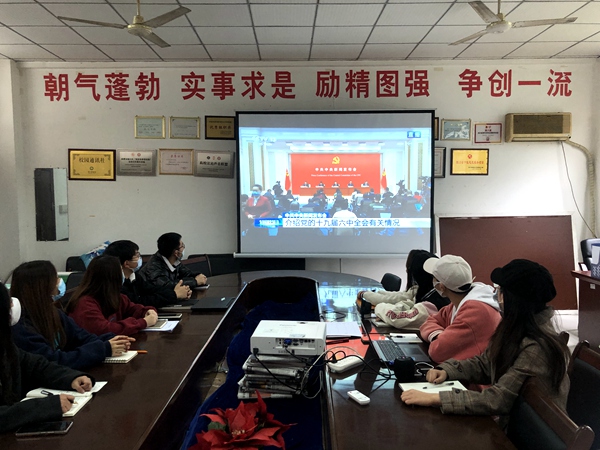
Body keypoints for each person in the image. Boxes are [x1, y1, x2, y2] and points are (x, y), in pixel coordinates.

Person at [401, 259, 570, 430]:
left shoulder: (536, 348)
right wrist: (448, 370)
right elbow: (486, 363)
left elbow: (498, 399)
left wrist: (436, 398)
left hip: (523, 434)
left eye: (500, 291)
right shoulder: (517, 327)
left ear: (513, 299)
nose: (496, 295)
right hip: (512, 425)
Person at [0, 282, 94, 433]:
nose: (13, 305)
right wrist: (47, 406)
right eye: (9, 301)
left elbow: (35, 365)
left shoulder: (5, 345)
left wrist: (70, 378)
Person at [10, 260, 133, 370]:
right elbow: (54, 361)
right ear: (42, 287)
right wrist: (104, 348)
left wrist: (112, 339)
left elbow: (81, 337)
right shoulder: (21, 326)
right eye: (56, 278)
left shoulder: (53, 312)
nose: (59, 282)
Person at [419, 255, 502, 363]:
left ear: (441, 287)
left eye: (433, 278)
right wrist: (439, 335)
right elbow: (430, 321)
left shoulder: (475, 311)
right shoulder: (461, 301)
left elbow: (438, 352)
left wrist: (438, 338)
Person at [67, 255, 158, 336]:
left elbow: (132, 309)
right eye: (120, 271)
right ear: (112, 277)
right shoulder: (85, 303)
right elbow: (106, 330)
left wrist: (147, 311)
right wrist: (143, 322)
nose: (123, 275)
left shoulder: (114, 296)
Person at [356, 250, 449, 329]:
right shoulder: (426, 292)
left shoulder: (432, 303)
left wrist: (379, 308)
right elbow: (406, 301)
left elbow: (397, 319)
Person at [104, 240, 191, 308]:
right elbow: (139, 302)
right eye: (137, 255)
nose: (140, 258)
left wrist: (177, 291)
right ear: (126, 263)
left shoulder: (134, 276)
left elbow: (152, 289)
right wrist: (174, 295)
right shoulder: (115, 284)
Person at [139, 232, 208, 291]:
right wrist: (195, 281)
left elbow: (187, 273)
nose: (183, 248)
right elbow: (167, 285)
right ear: (176, 252)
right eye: (182, 246)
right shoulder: (153, 266)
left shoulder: (174, 261)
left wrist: (198, 275)